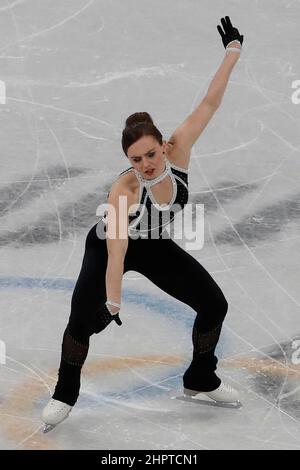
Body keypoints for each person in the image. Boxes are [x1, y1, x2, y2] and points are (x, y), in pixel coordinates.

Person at [42, 16, 244, 431]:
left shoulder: (179, 148)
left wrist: (233, 51)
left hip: (152, 243)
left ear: (162, 146)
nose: (146, 165)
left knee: (214, 304)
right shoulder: (125, 191)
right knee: (82, 320)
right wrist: (112, 302)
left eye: (151, 154)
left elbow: (210, 103)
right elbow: (117, 251)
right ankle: (64, 394)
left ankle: (200, 379)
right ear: (128, 161)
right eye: (136, 159)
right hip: (109, 245)